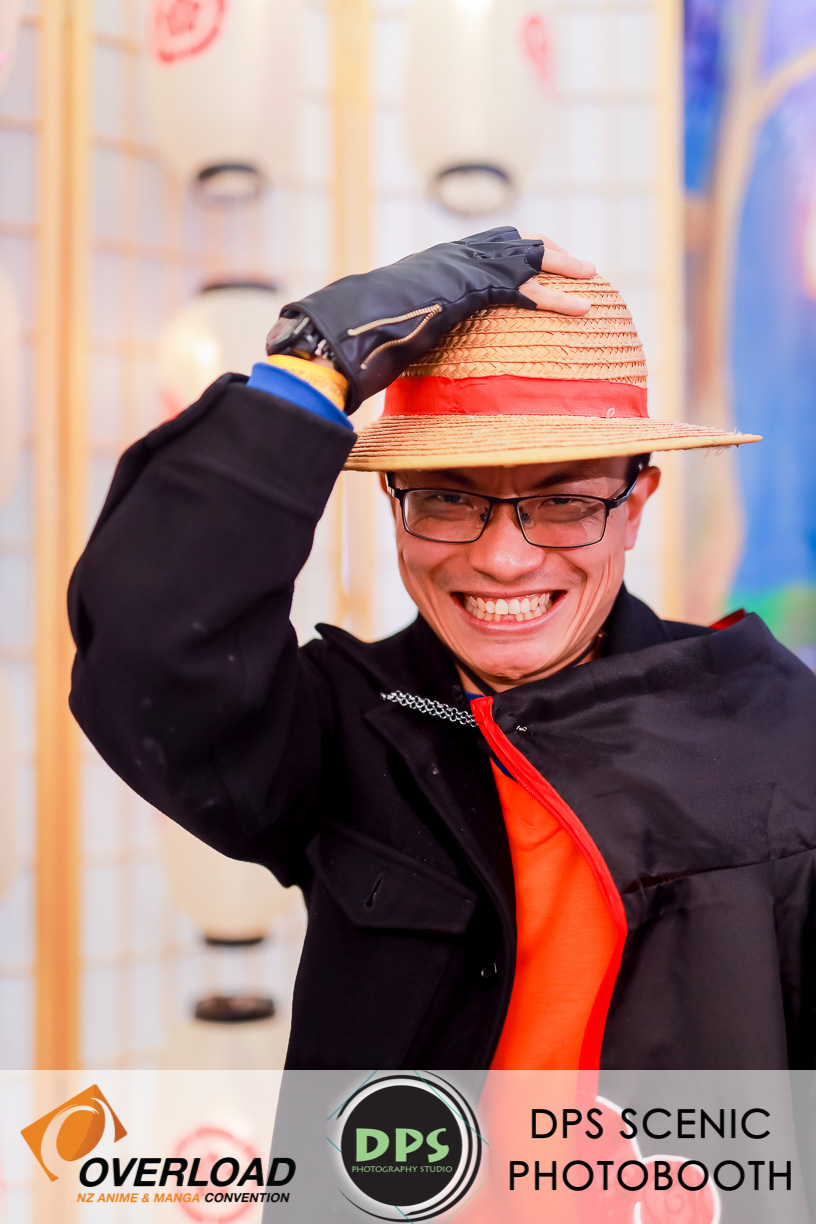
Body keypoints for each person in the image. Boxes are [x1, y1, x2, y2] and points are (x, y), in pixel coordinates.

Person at [68, 228, 816, 1071]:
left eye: (563, 502)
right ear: (395, 506)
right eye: (447, 499)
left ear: (635, 504)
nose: (503, 560)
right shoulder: (350, 729)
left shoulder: (771, 725)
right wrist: (315, 361)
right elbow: (148, 649)